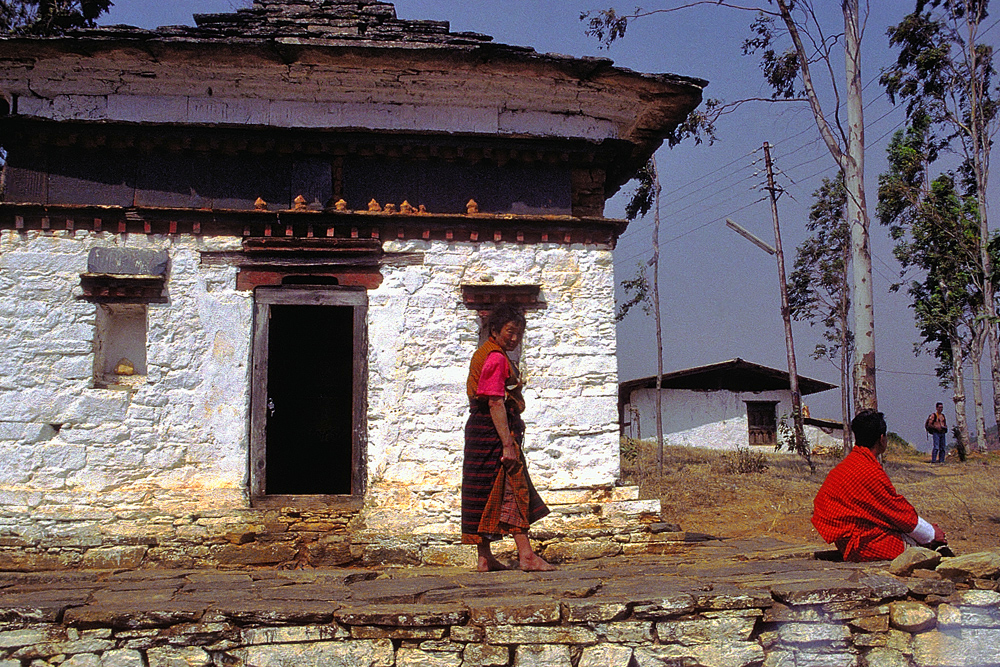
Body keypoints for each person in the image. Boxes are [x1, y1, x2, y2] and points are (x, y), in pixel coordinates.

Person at [462, 304, 555, 572]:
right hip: (492, 431)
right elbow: (494, 402)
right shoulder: (496, 358)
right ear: (495, 330)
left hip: (479, 429)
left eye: (519, 334)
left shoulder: (484, 353)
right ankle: (526, 555)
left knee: (483, 489)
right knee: (514, 486)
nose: (514, 338)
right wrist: (506, 443)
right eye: (509, 332)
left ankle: (484, 558)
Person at [812, 409, 946, 562]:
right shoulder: (868, 470)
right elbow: (897, 512)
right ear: (882, 438)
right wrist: (932, 534)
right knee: (928, 550)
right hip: (865, 545)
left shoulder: (846, 466)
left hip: (847, 542)